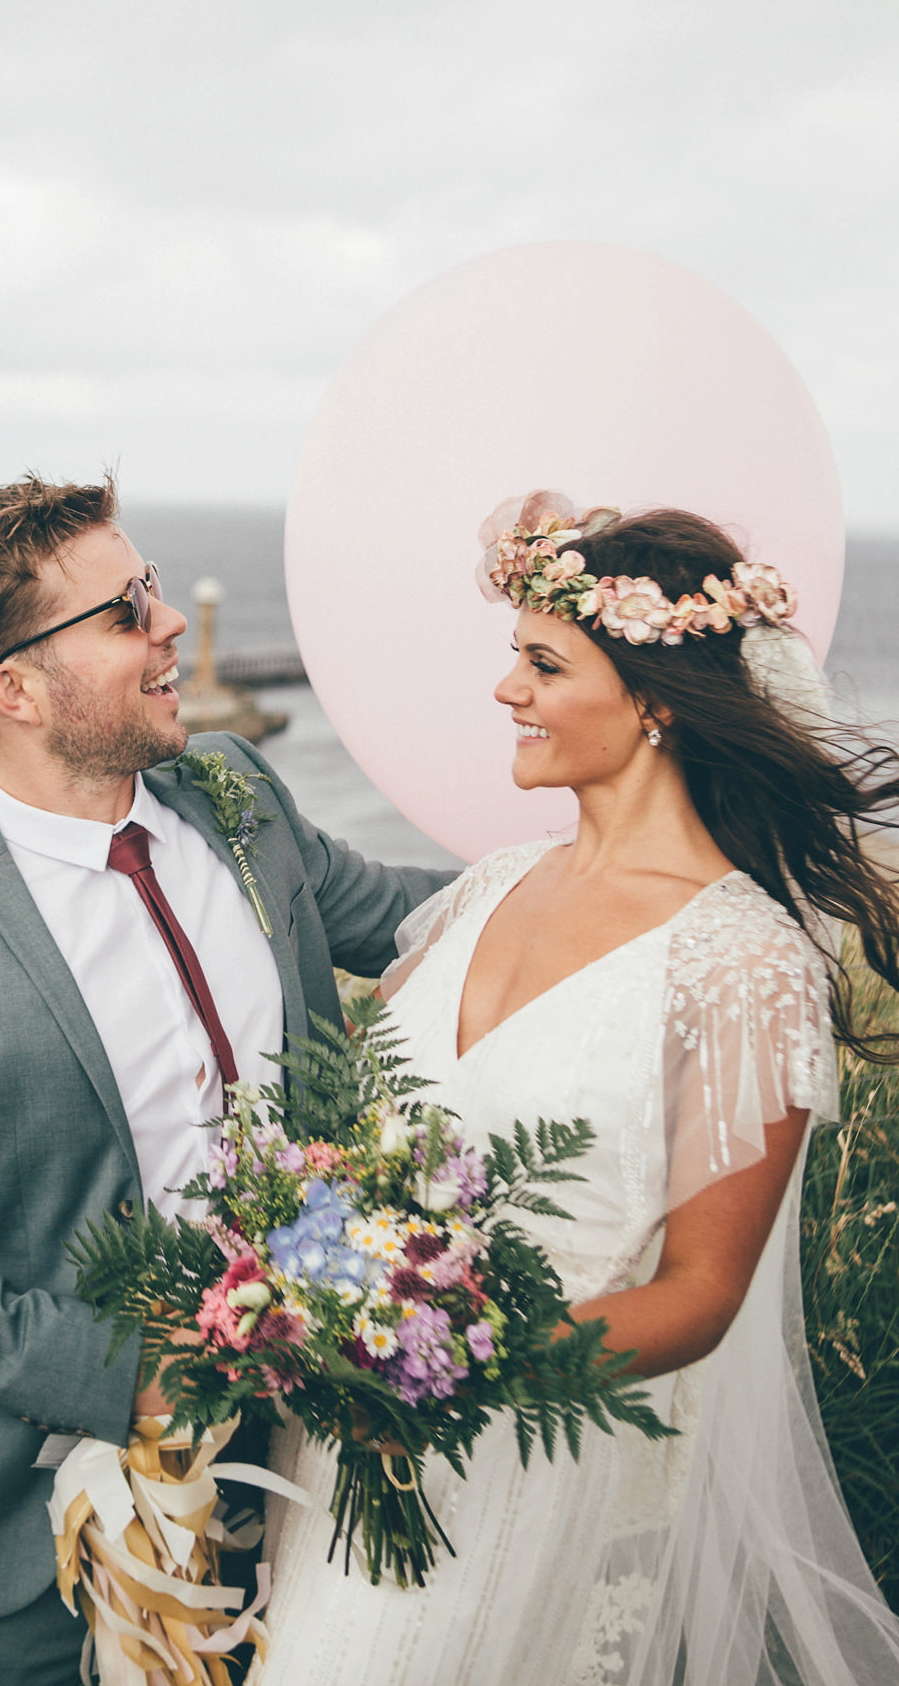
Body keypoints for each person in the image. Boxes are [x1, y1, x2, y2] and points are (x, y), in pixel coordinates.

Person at [0, 472, 455, 1686]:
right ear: (16, 689)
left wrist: (636, 861)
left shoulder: (239, 797)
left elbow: (430, 923)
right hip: (22, 1556)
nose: (170, 626)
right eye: (123, 612)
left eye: (150, 589)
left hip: (312, 1507)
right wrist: (129, 1379)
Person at [258, 496, 899, 1685]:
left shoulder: (741, 960)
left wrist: (440, 1379)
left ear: (655, 701)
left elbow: (703, 1293)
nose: (507, 691)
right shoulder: (484, 891)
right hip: (353, 1461)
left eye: (543, 663)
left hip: (545, 1458)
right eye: (515, 658)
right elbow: (362, 1160)